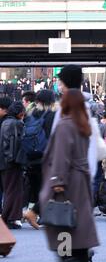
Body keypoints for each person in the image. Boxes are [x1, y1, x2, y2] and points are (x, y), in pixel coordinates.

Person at [39, 89, 99, 262]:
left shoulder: (65, 125)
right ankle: (80, 257)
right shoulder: (83, 124)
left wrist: (57, 181)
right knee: (78, 223)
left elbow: (61, 156)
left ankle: (68, 259)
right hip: (81, 181)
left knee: (63, 223)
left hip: (67, 183)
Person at [22, 90, 56, 230]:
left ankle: (32, 212)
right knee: (47, 186)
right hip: (46, 156)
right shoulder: (52, 116)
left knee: (35, 187)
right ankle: (43, 215)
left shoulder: (31, 114)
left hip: (31, 156)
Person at [0, 101, 27, 229]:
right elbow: (17, 144)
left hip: (4, 162)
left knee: (9, 189)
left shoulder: (5, 122)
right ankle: (9, 217)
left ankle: (8, 217)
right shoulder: (17, 124)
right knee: (14, 190)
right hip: (13, 162)